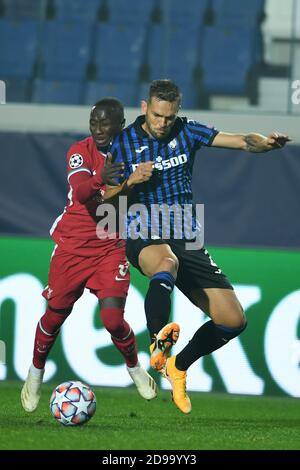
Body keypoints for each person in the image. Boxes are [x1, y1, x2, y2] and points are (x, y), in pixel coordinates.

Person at [107, 79, 291, 414]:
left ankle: (179, 366)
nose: (163, 123)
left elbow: (237, 140)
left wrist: (262, 144)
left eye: (169, 116)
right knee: (165, 263)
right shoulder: (122, 143)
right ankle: (157, 342)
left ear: (177, 111)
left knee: (233, 320)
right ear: (145, 108)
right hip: (142, 229)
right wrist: (129, 183)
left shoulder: (187, 131)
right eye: (158, 115)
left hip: (185, 233)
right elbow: (103, 198)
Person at [21, 98, 157, 413]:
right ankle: (36, 372)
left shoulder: (135, 153)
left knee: (112, 319)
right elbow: (83, 192)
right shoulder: (80, 151)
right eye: (93, 122)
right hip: (73, 244)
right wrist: (105, 178)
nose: (97, 129)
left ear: (120, 124)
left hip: (110, 245)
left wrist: (131, 185)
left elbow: (132, 196)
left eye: (105, 122)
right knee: (54, 316)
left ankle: (135, 368)